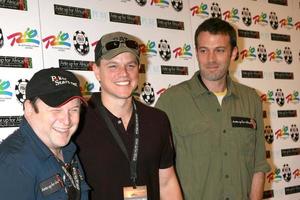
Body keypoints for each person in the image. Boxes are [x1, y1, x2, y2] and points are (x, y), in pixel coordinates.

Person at [155, 18, 270, 200]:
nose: (211, 59)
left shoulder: (251, 100)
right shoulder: (171, 101)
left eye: (219, 50)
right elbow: (160, 173)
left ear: (233, 53)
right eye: (204, 50)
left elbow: (259, 166)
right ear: (196, 53)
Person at [75, 31, 183, 200]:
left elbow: (167, 183)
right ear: (96, 71)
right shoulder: (77, 119)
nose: (123, 73)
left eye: (130, 66)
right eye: (113, 66)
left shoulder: (158, 120)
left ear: (139, 69)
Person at [0, 68, 90, 199]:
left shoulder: (68, 150)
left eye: (74, 110)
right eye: (56, 110)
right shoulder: (13, 164)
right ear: (29, 109)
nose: (67, 121)